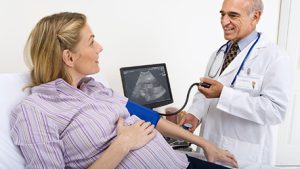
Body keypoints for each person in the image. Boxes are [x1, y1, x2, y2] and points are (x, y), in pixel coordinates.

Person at [9, 12, 238, 169]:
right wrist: (123, 144)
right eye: (91, 42)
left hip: (180, 163)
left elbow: (150, 118)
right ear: (69, 57)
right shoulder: (36, 111)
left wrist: (205, 144)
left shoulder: (94, 88)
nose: (100, 48)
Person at [179, 0, 291, 166]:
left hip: (244, 156)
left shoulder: (274, 57)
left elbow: (275, 111)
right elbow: (205, 92)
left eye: (233, 15)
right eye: (222, 14)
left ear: (255, 17)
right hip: (210, 147)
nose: (224, 21)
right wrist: (195, 114)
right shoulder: (219, 54)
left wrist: (224, 94)